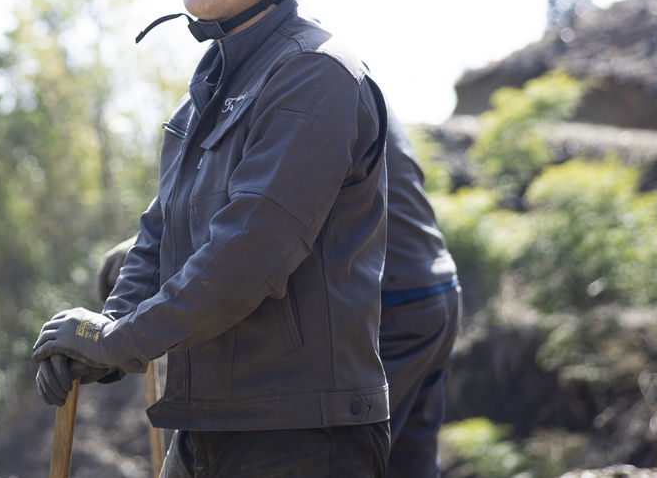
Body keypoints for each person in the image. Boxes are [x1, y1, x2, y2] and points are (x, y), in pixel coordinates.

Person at [32, 0, 393, 476]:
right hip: (206, 429)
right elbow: (161, 234)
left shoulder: (316, 74)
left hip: (303, 439)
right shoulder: (205, 91)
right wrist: (101, 335)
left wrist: (123, 341)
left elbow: (248, 253)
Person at [95, 104, 462, 478]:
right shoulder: (330, 75)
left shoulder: (298, 84)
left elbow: (263, 217)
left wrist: (159, 254)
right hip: (435, 291)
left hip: (383, 303)